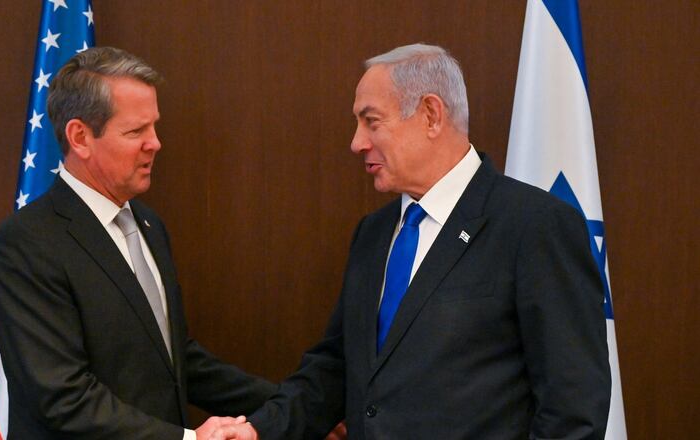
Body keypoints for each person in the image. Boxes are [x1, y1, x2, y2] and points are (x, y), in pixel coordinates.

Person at [210, 44, 612, 440]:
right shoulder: (374, 233)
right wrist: (258, 430)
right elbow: (337, 368)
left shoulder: (534, 225)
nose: (356, 143)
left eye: (372, 121)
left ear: (431, 115)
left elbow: (573, 408)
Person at [0, 47, 277, 439]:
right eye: (136, 131)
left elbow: (173, 359)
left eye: (154, 127)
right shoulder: (25, 245)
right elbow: (63, 397)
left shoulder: (149, 224)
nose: (155, 143)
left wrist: (290, 408)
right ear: (80, 137)